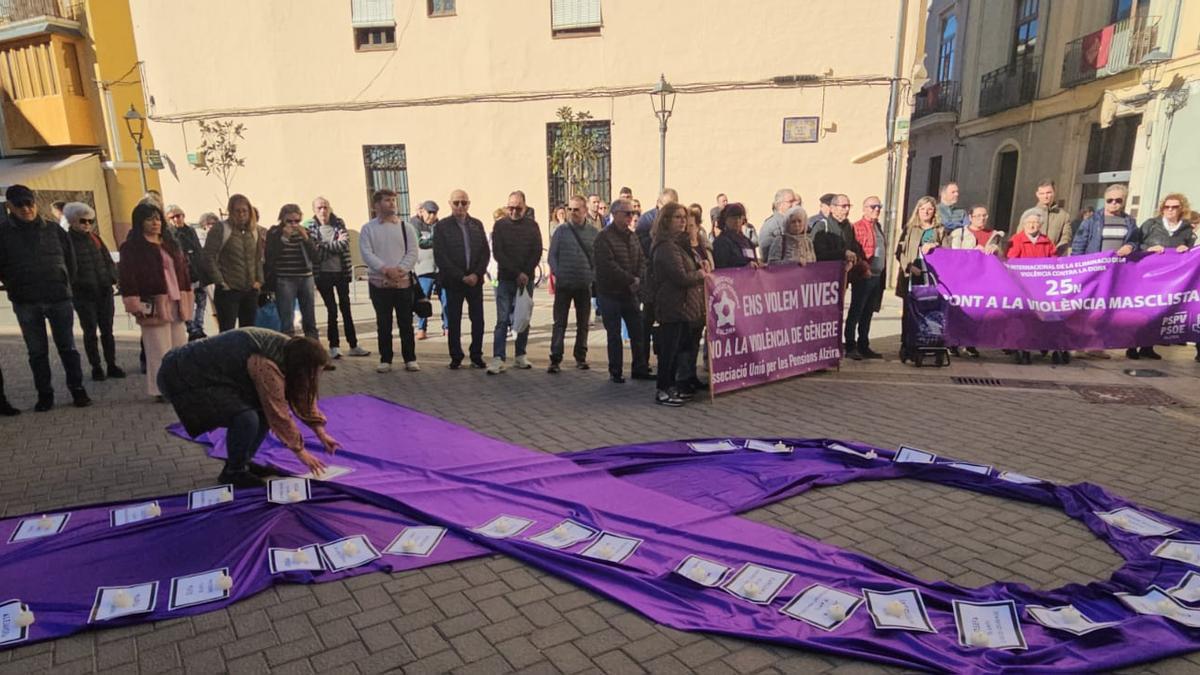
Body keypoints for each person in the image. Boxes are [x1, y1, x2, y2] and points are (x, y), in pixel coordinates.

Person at [157, 328, 340, 488]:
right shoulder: (267, 364)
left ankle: (241, 463)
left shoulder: (290, 351)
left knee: (259, 414)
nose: (317, 376)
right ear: (301, 366)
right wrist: (301, 453)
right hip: (182, 375)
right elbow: (278, 412)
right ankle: (234, 472)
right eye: (315, 371)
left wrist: (321, 433)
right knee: (246, 417)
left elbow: (302, 394)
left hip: (208, 372)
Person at [0, 185, 90, 411]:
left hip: (58, 297)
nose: (26, 209)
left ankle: (77, 390)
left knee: (68, 347)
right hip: (26, 301)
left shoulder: (53, 229)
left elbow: (71, 261)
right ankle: (45, 394)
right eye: (20, 205)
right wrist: (14, 286)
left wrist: (65, 283)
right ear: (9, 206)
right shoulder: (3, 234)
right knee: (37, 352)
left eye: (29, 203)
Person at [119, 202, 193, 399]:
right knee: (158, 349)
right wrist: (134, 303)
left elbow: (183, 272)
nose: (155, 223)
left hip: (176, 301)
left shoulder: (170, 244)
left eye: (158, 218)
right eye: (150, 219)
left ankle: (179, 386)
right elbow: (127, 277)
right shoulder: (132, 248)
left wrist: (187, 295)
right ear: (139, 222)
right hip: (152, 303)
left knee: (179, 347)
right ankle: (161, 389)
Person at [649, 203, 710, 406]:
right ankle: (663, 389)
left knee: (678, 350)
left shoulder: (678, 244)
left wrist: (699, 265)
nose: (683, 221)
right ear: (666, 220)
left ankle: (673, 386)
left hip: (683, 306)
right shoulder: (665, 247)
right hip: (672, 305)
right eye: (677, 217)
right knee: (668, 351)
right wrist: (700, 274)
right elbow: (680, 277)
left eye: (684, 217)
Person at [1070, 184, 1138, 359]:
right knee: (1087, 308)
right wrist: (1078, 269)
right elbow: (1079, 244)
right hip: (1093, 271)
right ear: (1105, 200)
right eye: (1110, 200)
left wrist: (1130, 246)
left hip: (1115, 272)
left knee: (1105, 309)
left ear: (1123, 201)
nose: (1113, 204)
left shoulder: (1129, 222)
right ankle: (1080, 343)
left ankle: (1096, 345)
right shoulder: (1092, 221)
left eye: (1118, 200)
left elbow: (1136, 242)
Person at [360, 189, 420, 373]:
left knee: (405, 322)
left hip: (403, 283)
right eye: (387, 200)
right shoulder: (368, 228)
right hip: (379, 283)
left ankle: (410, 358)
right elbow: (367, 253)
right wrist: (385, 269)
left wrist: (400, 270)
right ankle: (386, 358)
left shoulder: (406, 227)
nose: (392, 203)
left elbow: (412, 252)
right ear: (376, 205)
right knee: (383, 322)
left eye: (394, 200)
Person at [64, 202, 124, 381]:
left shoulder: (95, 238)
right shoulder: (67, 241)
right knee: (90, 332)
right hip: (83, 294)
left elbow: (107, 260)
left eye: (91, 221)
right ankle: (96, 366)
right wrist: (77, 284)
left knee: (108, 330)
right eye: (83, 221)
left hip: (104, 291)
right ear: (73, 221)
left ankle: (111, 364)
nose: (87, 224)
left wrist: (113, 278)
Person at [1132, 193, 1195, 360]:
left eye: (1175, 207)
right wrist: (1148, 248)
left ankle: (1148, 347)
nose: (1170, 210)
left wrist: (1185, 249)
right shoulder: (1151, 225)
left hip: (1172, 280)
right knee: (1142, 311)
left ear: (1181, 209)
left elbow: (1191, 254)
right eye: (1167, 207)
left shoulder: (1187, 229)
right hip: (1149, 276)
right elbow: (1135, 243)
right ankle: (1132, 346)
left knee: (1160, 312)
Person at [592, 198, 648, 384]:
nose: (631, 217)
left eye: (632, 213)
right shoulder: (604, 237)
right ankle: (616, 370)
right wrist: (630, 279)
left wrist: (637, 279)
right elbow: (608, 266)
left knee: (638, 332)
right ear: (615, 215)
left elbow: (641, 259)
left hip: (630, 293)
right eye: (627, 213)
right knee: (614, 335)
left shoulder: (632, 236)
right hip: (611, 293)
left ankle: (640, 367)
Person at [433, 189, 490, 369]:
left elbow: (485, 253)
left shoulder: (477, 225)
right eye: (456, 202)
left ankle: (476, 355)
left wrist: (476, 274)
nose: (460, 206)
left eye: (463, 203)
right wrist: (461, 276)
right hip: (454, 282)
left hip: (475, 281)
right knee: (454, 319)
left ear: (469, 204)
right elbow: (441, 256)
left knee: (478, 319)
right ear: (450, 204)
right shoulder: (442, 227)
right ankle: (456, 355)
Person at [488, 190, 543, 374]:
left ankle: (520, 354)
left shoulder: (532, 226)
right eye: (510, 207)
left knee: (523, 317)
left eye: (517, 208)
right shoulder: (500, 226)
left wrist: (526, 272)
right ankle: (498, 357)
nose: (513, 211)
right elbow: (498, 253)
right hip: (505, 278)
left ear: (524, 207)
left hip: (526, 279)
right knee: (502, 319)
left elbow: (536, 251)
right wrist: (516, 272)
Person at [307, 197, 368, 358]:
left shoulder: (338, 223)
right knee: (332, 310)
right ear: (314, 210)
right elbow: (315, 252)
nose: (323, 211)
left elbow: (345, 243)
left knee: (346, 309)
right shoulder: (311, 227)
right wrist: (332, 246)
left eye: (325, 207)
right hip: (323, 274)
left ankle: (353, 345)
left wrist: (324, 246)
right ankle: (334, 346)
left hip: (341, 272)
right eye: (319, 208)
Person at [1007, 209, 1066, 365]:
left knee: (1049, 315)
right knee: (1025, 317)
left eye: (1035, 223)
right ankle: (1023, 349)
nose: (1032, 225)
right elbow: (1012, 259)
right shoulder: (1017, 239)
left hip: (1043, 285)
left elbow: (1054, 260)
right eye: (1029, 222)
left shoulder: (1047, 241)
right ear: (1024, 224)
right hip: (1023, 285)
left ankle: (1049, 346)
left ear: (1040, 225)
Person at [945, 205, 1003, 359]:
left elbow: (1002, 258)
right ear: (970, 217)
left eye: (984, 215)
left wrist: (996, 249)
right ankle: (953, 343)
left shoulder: (994, 234)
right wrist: (972, 252)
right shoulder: (960, 233)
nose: (981, 219)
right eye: (977, 216)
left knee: (977, 313)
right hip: (963, 279)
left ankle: (971, 343)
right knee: (959, 311)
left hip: (983, 280)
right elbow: (954, 255)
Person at [547, 195, 597, 373]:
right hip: (564, 284)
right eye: (570, 209)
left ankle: (580, 356)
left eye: (576, 209)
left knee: (583, 323)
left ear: (584, 210)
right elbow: (552, 256)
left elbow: (597, 258)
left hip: (584, 284)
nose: (572, 213)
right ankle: (555, 358)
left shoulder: (593, 233)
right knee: (559, 322)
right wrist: (558, 272)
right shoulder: (561, 231)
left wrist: (592, 275)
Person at [204, 194, 264, 331]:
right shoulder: (221, 229)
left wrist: (259, 281)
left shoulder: (254, 231)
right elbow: (208, 256)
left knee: (249, 332)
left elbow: (258, 257)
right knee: (227, 332)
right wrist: (220, 281)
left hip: (250, 289)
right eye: (237, 211)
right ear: (231, 211)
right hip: (228, 290)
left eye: (245, 211)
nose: (241, 214)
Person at [264, 204, 320, 341]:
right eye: (289, 221)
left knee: (309, 318)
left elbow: (316, 257)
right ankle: (288, 350)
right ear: (282, 219)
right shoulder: (274, 232)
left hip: (306, 277)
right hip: (285, 279)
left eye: (297, 221)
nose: (294, 224)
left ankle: (313, 349)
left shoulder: (305, 231)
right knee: (287, 319)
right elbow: (270, 256)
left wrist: (306, 238)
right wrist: (283, 238)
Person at [845, 196, 888, 360]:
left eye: (879, 207)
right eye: (872, 207)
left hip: (877, 276)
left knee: (868, 312)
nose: (876, 210)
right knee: (857, 310)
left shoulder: (878, 226)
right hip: (864, 275)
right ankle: (850, 344)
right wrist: (864, 267)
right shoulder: (857, 227)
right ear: (864, 208)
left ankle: (864, 344)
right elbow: (856, 251)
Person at [164, 205, 207, 341]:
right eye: (173, 217)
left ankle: (199, 326)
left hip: (197, 271)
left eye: (180, 215)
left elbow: (198, 250)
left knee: (201, 301)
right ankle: (191, 328)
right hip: (183, 274)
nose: (177, 219)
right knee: (187, 302)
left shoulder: (190, 231)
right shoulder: (169, 234)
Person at [896, 196, 944, 295]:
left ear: (934, 211)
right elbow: (899, 252)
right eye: (922, 209)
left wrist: (935, 245)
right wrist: (909, 267)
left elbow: (947, 251)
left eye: (929, 209)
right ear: (917, 210)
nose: (926, 212)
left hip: (932, 275)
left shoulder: (940, 230)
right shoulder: (909, 229)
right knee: (910, 308)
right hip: (911, 273)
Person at [411, 200, 444, 340]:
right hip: (423, 268)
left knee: (446, 300)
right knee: (424, 299)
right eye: (429, 212)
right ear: (422, 211)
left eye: (434, 212)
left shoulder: (440, 225)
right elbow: (420, 243)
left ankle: (447, 327)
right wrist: (436, 240)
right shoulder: (414, 224)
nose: (432, 215)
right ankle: (421, 328)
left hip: (440, 268)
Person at [712, 203, 762, 269]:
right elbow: (721, 269)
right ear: (725, 220)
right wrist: (744, 268)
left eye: (739, 217)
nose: (737, 221)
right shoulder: (720, 242)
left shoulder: (747, 241)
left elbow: (753, 260)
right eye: (733, 218)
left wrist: (758, 264)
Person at [1030, 180, 1072, 255]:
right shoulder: (1029, 215)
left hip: (1052, 260)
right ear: (1037, 194)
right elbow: (1020, 238)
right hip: (1031, 260)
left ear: (1054, 193)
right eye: (1042, 193)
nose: (1045, 196)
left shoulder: (1064, 216)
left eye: (1048, 193)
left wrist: (1053, 254)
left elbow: (1065, 239)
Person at [757, 188, 800, 260]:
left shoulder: (793, 222)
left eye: (795, 201)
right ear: (780, 204)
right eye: (790, 202)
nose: (795, 204)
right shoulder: (772, 225)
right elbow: (766, 254)